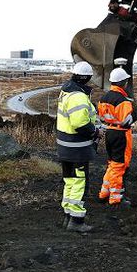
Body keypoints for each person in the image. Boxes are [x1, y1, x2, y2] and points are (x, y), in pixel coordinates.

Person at [56, 61, 100, 233]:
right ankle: (76, 221)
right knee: (79, 183)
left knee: (70, 181)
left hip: (66, 147)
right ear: (86, 77)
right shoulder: (78, 96)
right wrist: (95, 132)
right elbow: (80, 124)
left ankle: (68, 216)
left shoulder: (66, 91)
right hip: (77, 148)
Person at [97, 67, 137, 208]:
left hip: (109, 132)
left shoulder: (103, 98)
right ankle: (115, 199)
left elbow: (101, 118)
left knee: (112, 164)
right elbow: (127, 120)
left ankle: (104, 193)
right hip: (121, 135)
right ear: (123, 82)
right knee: (119, 166)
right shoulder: (123, 101)